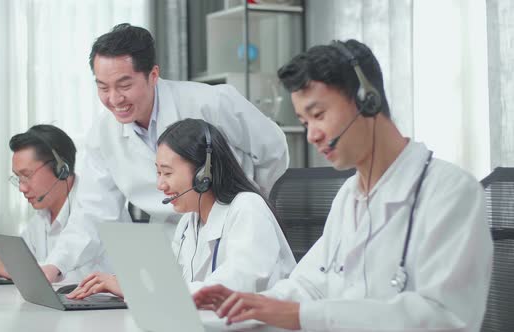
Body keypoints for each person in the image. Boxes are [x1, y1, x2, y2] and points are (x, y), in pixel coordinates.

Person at [192, 39, 493, 331]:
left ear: (367, 100)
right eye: (305, 122)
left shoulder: (450, 192)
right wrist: (244, 306)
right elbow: (307, 287)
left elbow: (445, 317)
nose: (312, 136)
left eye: (318, 115)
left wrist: (301, 316)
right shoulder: (349, 197)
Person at [39, 23, 289, 282]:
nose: (114, 99)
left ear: (153, 74)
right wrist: (55, 265)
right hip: (176, 239)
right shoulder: (103, 133)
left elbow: (273, 147)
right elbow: (94, 210)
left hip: (233, 229)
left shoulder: (209, 102)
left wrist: (244, 201)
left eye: (124, 85)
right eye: (103, 87)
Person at [66, 119, 296, 300]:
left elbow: (237, 285)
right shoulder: (189, 222)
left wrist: (139, 290)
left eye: (167, 173)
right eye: (158, 172)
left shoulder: (247, 208)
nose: (160, 185)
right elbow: (171, 285)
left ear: (203, 173)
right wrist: (129, 284)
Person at [0, 125, 95, 283]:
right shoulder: (41, 218)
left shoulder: (94, 208)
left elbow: (73, 279)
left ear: (61, 169)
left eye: (26, 176)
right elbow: (26, 262)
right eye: (18, 178)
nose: (21, 188)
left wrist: (15, 270)